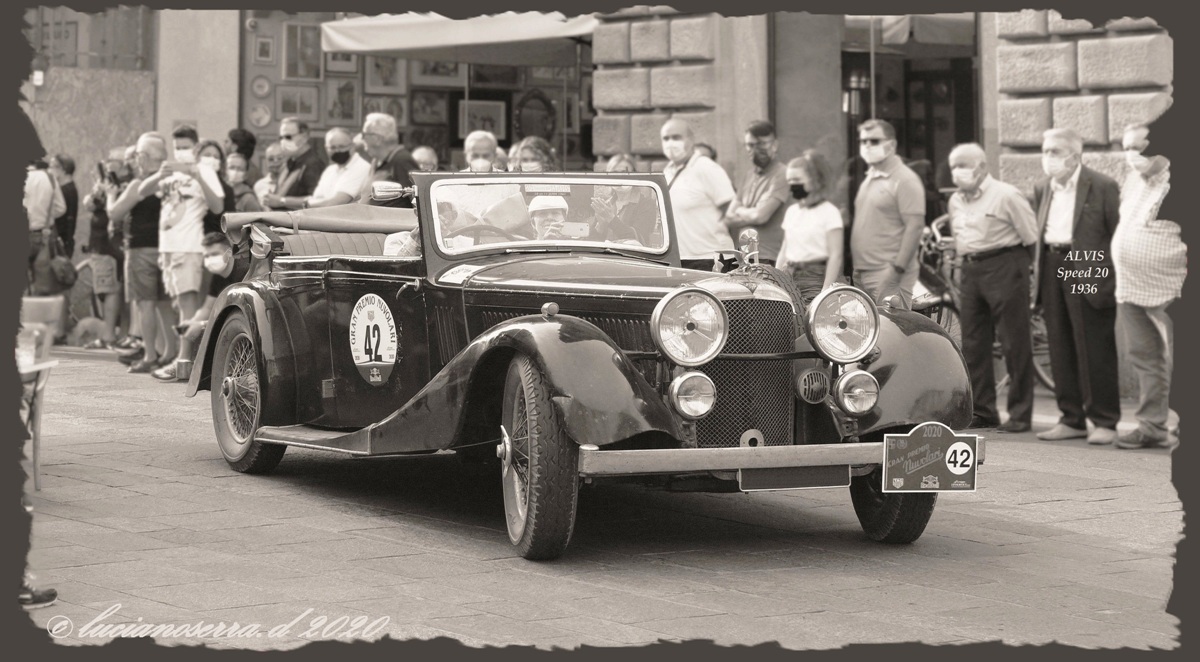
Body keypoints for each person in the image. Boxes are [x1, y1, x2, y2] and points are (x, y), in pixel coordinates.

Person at [1032, 128, 1122, 446]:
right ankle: (1071, 418)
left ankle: (1104, 420)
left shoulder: (1102, 186)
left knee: (1093, 345)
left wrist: (1108, 278)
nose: (1048, 158)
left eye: (1055, 151)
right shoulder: (1042, 187)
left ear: (1074, 155)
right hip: (1053, 263)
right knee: (1059, 343)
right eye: (1045, 150)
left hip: (1086, 260)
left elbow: (1117, 235)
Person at [944, 143, 1040, 433]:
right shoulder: (955, 201)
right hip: (971, 269)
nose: (957, 171)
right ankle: (984, 410)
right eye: (953, 166)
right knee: (973, 343)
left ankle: (1021, 413)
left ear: (982, 166)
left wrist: (1032, 275)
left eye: (963, 164)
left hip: (1006, 264)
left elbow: (1031, 238)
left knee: (1014, 341)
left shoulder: (1007, 195)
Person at [1111, 124, 1185, 450]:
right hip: (1130, 285)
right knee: (1144, 357)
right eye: (1127, 147)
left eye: (1140, 147)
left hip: (1173, 286)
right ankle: (1152, 425)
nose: (1133, 155)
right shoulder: (1133, 181)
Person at [137, 125, 223, 351]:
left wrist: (197, 177)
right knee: (177, 302)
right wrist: (158, 175)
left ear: (195, 147)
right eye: (177, 147)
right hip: (168, 246)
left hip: (189, 245)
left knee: (188, 302)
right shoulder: (170, 172)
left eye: (186, 147)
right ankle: (182, 355)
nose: (181, 151)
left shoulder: (204, 170)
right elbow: (142, 192)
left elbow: (218, 206)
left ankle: (186, 358)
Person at [110, 132, 178, 373]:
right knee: (165, 304)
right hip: (167, 248)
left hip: (140, 250)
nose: (136, 160)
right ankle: (171, 353)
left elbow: (115, 213)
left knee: (145, 304)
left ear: (145, 157)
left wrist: (110, 196)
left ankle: (150, 354)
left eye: (138, 154)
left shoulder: (139, 184)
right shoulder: (172, 181)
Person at [849, 119, 926, 309]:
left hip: (888, 273)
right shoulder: (870, 177)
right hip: (863, 272)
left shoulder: (905, 179)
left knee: (893, 334)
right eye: (863, 141)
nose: (867, 146)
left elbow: (915, 226)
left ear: (891, 145)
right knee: (870, 335)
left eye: (874, 141)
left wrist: (897, 269)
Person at [153, 232, 250, 381]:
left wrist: (203, 324)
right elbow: (206, 308)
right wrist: (193, 323)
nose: (210, 260)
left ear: (229, 253)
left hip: (246, 325)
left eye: (214, 254)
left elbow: (246, 312)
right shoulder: (218, 276)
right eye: (206, 256)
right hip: (235, 324)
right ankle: (184, 366)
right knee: (192, 328)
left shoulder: (244, 271)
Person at [660, 118, 737, 272]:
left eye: (676, 137)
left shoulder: (707, 168)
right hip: (678, 260)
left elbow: (732, 214)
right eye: (666, 139)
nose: (671, 143)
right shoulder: (667, 172)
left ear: (690, 140)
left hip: (711, 259)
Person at [776, 151, 845, 303]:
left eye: (797, 179)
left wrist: (825, 292)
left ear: (814, 180)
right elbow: (784, 250)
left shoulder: (829, 212)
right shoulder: (792, 212)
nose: (793, 185)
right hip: (789, 277)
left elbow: (836, 255)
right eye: (790, 180)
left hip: (816, 279)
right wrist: (777, 280)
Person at [724, 121, 789, 266]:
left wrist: (740, 210)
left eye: (761, 144)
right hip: (744, 258)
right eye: (750, 145)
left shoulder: (782, 174)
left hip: (770, 259)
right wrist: (751, 214)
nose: (755, 149)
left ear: (775, 145)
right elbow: (728, 218)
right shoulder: (749, 176)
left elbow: (761, 216)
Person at [590, 153, 658, 244]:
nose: (619, 177)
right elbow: (592, 244)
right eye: (614, 173)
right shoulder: (606, 204)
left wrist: (611, 218)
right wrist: (600, 226)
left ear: (634, 175)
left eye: (624, 172)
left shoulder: (647, 204)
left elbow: (638, 239)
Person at [263, 117, 326, 210]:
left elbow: (317, 200)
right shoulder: (291, 161)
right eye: (281, 137)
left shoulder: (313, 164)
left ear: (304, 137)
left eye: (288, 137)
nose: (283, 141)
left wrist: (282, 201)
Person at [359, 112, 418, 205]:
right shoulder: (377, 161)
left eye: (365, 135)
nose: (362, 140)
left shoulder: (401, 160)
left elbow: (417, 200)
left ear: (377, 139)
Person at [305, 127, 372, 208]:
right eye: (332, 147)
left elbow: (334, 203)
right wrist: (311, 203)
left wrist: (307, 204)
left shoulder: (361, 167)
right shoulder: (330, 170)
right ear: (326, 148)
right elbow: (317, 198)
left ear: (352, 146)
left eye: (342, 147)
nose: (337, 151)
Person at [24, 159, 66, 277]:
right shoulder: (49, 177)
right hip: (45, 235)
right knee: (45, 279)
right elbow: (61, 208)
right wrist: (45, 216)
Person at [48, 154, 78, 258]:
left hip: (61, 243)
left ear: (62, 169)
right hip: (64, 242)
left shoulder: (66, 191)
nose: (49, 170)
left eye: (52, 166)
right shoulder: (69, 188)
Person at [254, 142, 287, 207]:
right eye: (271, 159)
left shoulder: (294, 182)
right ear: (266, 161)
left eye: (280, 158)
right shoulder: (259, 185)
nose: (276, 162)